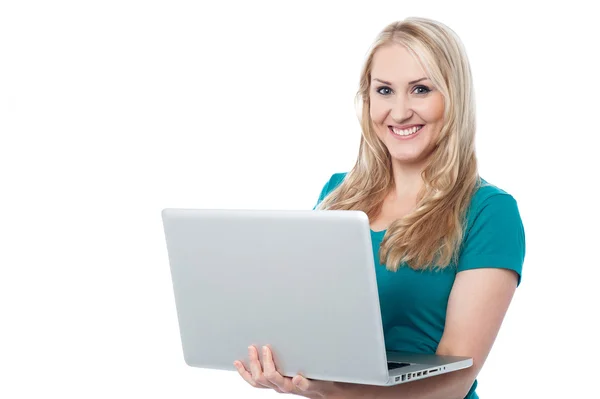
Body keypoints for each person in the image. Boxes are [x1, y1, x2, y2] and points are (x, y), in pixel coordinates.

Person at [233, 16, 525, 399]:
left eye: (420, 89)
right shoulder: (338, 194)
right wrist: (278, 360)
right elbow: (310, 320)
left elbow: (456, 379)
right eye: (384, 90)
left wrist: (334, 391)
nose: (400, 112)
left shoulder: (489, 212)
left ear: (453, 97)